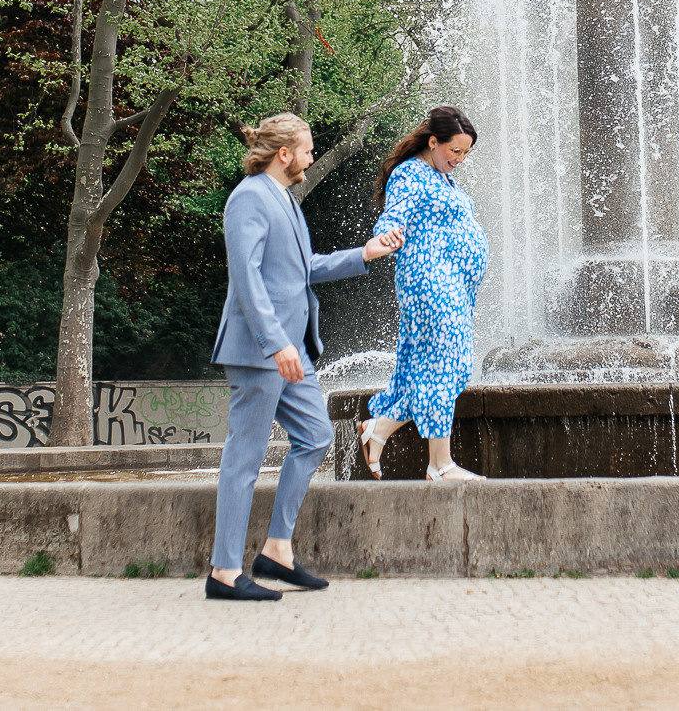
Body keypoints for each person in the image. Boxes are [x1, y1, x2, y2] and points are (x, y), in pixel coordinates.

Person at [208, 113, 404, 601]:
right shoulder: (249, 198)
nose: (313, 156)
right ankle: (224, 572)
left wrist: (366, 253)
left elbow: (304, 269)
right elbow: (247, 279)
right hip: (262, 351)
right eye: (308, 149)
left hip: (289, 352)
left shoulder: (284, 201)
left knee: (316, 436)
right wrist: (276, 342)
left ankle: (276, 549)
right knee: (244, 460)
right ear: (283, 154)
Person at [355, 106, 488, 482]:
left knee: (448, 366)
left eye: (465, 153)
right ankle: (439, 464)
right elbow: (394, 216)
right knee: (443, 364)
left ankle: (379, 429)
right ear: (433, 142)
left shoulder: (442, 177)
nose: (459, 159)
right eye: (454, 151)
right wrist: (386, 236)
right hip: (429, 280)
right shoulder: (411, 173)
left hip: (453, 286)